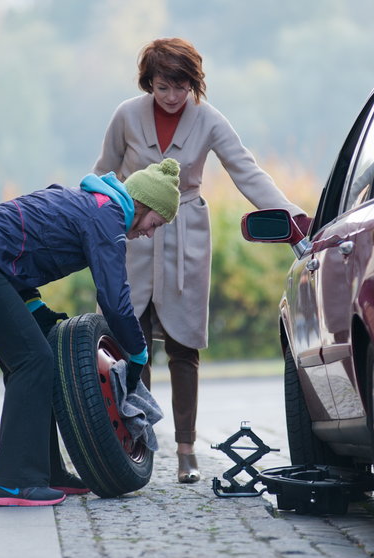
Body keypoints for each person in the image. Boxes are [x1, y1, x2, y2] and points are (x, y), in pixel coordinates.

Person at [93, 37, 311, 484]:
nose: (172, 97)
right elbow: (101, 173)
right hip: (134, 231)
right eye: (162, 87)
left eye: (181, 87)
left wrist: (293, 216)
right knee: (130, 341)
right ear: (148, 84)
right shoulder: (126, 116)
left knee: (183, 343)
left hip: (186, 232)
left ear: (195, 83)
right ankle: (140, 441)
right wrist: (96, 222)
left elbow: (246, 170)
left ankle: (186, 449)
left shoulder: (209, 119)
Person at [0, 159, 181, 507]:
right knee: (33, 361)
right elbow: (114, 298)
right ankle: (11, 481)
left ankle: (46, 470)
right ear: (142, 205)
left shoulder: (94, 205)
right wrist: (138, 352)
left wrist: (35, 307)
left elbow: (23, 248)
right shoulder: (107, 217)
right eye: (155, 223)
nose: (149, 233)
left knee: (40, 357)